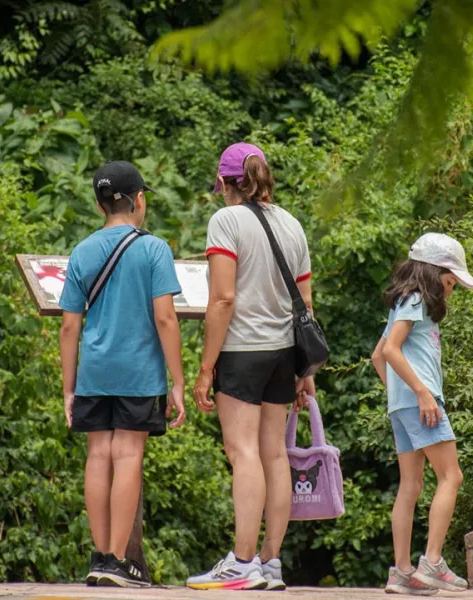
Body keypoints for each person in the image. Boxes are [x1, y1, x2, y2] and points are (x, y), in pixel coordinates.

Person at [187, 143, 314, 591]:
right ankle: (270, 561)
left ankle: (241, 563)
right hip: (284, 354)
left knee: (242, 453)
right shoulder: (292, 224)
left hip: (242, 351)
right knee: (274, 453)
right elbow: (306, 305)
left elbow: (222, 299)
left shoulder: (226, 221)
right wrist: (306, 372)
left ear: (225, 183)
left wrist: (206, 368)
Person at [59, 161, 187, 588]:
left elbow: (68, 325)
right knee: (128, 455)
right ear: (139, 201)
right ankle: (118, 561)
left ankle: (98, 558)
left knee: (98, 456)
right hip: (139, 372)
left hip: (94, 371)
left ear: (100, 206)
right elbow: (166, 320)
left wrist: (68, 388)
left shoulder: (82, 251)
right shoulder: (154, 250)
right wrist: (178, 382)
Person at [370, 233, 473, 595]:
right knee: (452, 476)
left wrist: (399, 397)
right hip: (422, 403)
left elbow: (378, 354)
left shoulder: (404, 301)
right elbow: (392, 352)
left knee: (411, 486)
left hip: (404, 405)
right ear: (435, 273)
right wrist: (420, 394)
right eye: (450, 282)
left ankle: (402, 572)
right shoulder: (415, 299)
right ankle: (431, 563)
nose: (451, 291)